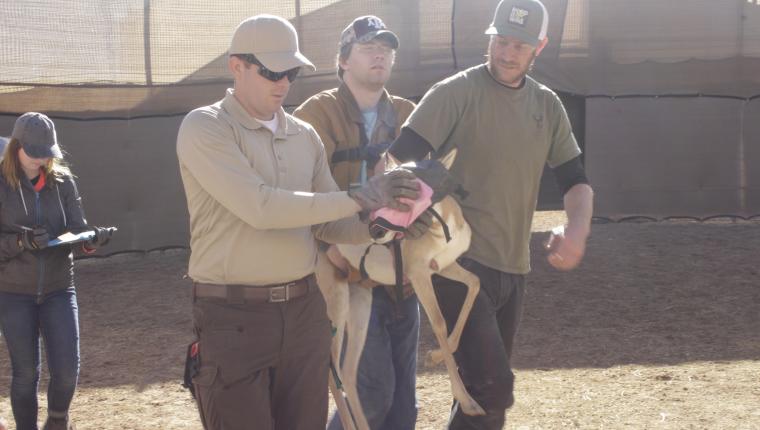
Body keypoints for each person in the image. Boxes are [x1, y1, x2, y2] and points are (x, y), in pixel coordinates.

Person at [175, 14, 420, 430]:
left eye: (290, 71)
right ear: (237, 66)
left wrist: (379, 225)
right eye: (272, 71)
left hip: (305, 311)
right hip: (233, 317)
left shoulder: (304, 134)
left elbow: (328, 224)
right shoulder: (205, 126)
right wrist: (361, 196)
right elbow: (261, 208)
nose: (284, 82)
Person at [387, 0, 594, 428]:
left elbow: (576, 180)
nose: (506, 52)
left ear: (540, 46)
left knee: (479, 395)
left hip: (513, 267)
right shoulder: (455, 93)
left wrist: (576, 230)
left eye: (519, 45)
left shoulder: (547, 105)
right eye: (500, 41)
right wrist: (411, 215)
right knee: (492, 388)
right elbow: (397, 161)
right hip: (455, 264)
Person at [294, 16, 420, 430]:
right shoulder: (317, 112)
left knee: (403, 407)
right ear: (344, 60)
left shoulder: (407, 112)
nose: (380, 54)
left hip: (400, 273)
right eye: (368, 48)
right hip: (344, 273)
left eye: (386, 49)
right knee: (370, 393)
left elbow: (431, 187)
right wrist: (332, 249)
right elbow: (302, 193)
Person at [0, 113, 113, 430]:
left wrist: (90, 240)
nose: (41, 159)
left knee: (66, 370)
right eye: (34, 151)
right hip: (13, 292)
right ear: (17, 147)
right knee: (25, 373)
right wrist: (21, 241)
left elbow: (75, 232)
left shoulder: (63, 181)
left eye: (46, 151)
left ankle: (58, 420)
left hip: (59, 288)